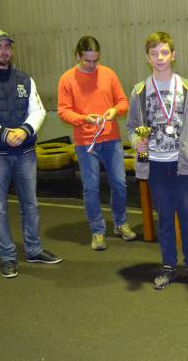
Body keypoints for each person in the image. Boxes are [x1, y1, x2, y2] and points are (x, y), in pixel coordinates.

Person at [0, 29, 62, 279]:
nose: (4, 51)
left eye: (7, 46)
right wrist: (3, 134)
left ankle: (34, 250)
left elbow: (38, 111)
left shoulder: (24, 79)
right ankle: (7, 257)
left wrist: (24, 130)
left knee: (31, 204)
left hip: (25, 153)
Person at [126, 31, 188, 290]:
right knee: (164, 218)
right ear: (147, 58)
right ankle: (169, 265)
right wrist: (136, 141)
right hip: (157, 164)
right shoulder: (139, 91)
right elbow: (131, 127)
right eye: (154, 53)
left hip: (185, 164)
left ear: (173, 55)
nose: (159, 57)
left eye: (164, 52)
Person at [57, 36, 136, 250]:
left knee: (119, 183)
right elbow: (63, 111)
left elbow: (123, 101)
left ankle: (120, 223)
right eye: (87, 61)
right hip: (85, 142)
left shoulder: (109, 74)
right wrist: (84, 119)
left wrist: (115, 111)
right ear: (77, 56)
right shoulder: (67, 79)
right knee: (91, 187)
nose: (92, 65)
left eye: (95, 60)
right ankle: (97, 231)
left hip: (111, 139)